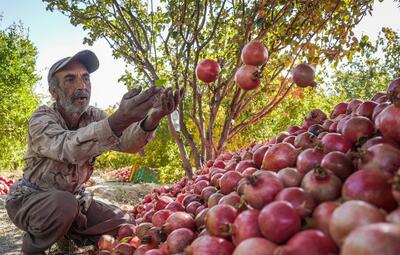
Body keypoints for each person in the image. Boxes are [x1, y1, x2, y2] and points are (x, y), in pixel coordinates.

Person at [5, 50, 183, 255]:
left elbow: (126, 142)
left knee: (125, 223)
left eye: (86, 78)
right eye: (70, 79)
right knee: (64, 205)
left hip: (74, 201)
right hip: (31, 200)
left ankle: (69, 233)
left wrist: (154, 117)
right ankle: (32, 248)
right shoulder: (42, 118)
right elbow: (68, 147)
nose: (82, 86)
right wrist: (118, 120)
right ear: (54, 91)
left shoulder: (93, 115)